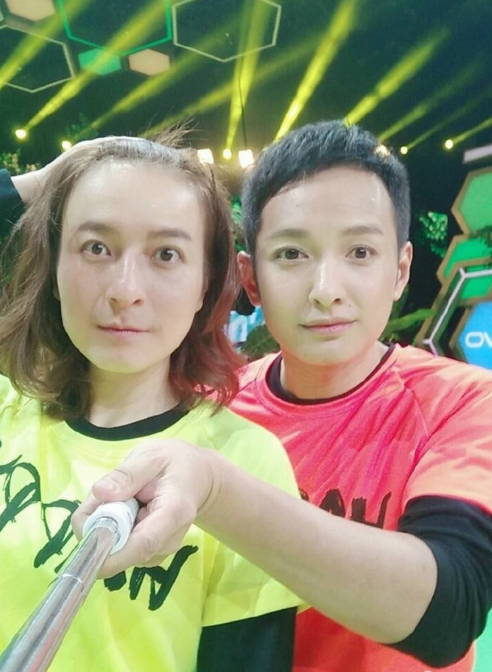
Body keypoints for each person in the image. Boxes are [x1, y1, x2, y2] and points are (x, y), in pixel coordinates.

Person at [5, 121, 492, 672]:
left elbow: (450, 610)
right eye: (291, 254)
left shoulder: (460, 402)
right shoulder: (211, 410)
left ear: (401, 270)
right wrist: (40, 185)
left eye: (360, 251)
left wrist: (216, 489)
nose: (326, 290)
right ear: (249, 279)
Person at [0, 135, 301, 672]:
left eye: (166, 254)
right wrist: (37, 184)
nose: (125, 290)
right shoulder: (6, 410)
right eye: (96, 247)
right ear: (53, 267)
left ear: (206, 284)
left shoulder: (245, 464)